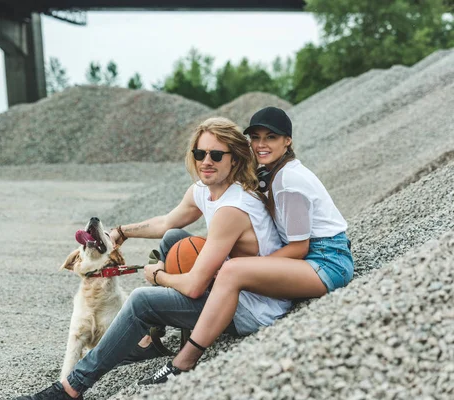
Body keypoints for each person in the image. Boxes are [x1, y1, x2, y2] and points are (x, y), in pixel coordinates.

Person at [14, 117, 290, 400]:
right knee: (175, 239)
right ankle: (154, 336)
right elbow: (167, 222)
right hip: (230, 289)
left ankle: (70, 388)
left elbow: (195, 286)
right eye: (200, 153)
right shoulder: (206, 190)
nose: (206, 161)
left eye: (216, 155)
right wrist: (123, 231)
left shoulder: (233, 208)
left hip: (251, 308)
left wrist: (157, 275)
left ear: (235, 159)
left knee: (141, 301)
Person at [141, 106, 355, 384]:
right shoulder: (272, 171)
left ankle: (183, 363)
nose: (261, 145)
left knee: (231, 271)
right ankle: (163, 329)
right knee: (193, 250)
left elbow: (299, 248)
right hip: (313, 255)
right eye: (255, 137)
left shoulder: (289, 180)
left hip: (326, 262)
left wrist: (242, 268)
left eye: (271, 137)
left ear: (287, 140)